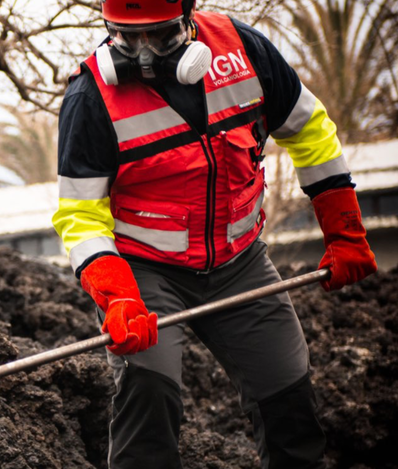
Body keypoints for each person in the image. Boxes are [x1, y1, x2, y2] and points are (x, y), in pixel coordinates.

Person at [51, 1, 378, 467]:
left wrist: (343, 229)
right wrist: (116, 295)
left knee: (290, 396)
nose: (143, 56)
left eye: (160, 37)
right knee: (148, 398)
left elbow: (309, 131)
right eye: (126, 38)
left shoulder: (243, 52)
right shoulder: (90, 98)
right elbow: (80, 214)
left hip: (239, 264)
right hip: (146, 273)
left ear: (188, 19)